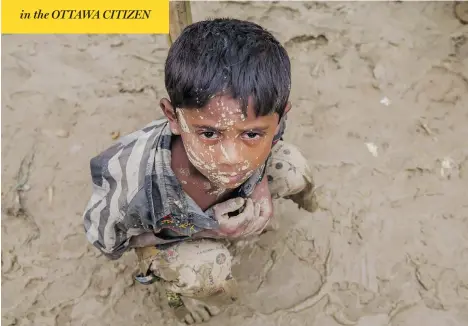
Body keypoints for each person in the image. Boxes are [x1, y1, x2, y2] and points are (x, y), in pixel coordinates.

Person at [82, 18, 317, 324]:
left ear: (280, 115)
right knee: (209, 274)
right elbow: (105, 240)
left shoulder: (267, 116)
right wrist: (209, 230)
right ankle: (178, 299)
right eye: (209, 134)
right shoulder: (132, 186)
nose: (232, 158)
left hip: (228, 207)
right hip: (166, 236)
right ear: (173, 117)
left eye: (251, 135)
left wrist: (260, 188)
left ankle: (311, 206)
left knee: (294, 169)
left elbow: (275, 136)